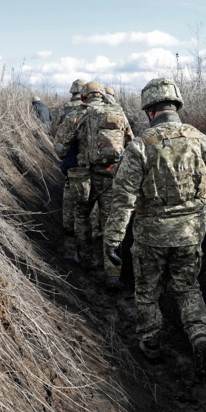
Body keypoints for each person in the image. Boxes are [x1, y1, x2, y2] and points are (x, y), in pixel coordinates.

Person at [103, 78, 206, 376]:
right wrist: (201, 219)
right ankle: (199, 335)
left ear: (149, 111)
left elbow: (123, 198)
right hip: (190, 232)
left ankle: (151, 345)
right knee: (187, 287)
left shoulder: (141, 146)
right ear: (176, 106)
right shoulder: (203, 141)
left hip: (151, 237)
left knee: (147, 291)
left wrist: (113, 239)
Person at [53, 81, 134, 289]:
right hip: (112, 175)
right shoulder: (118, 113)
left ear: (85, 96)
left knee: (82, 217)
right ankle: (113, 273)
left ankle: (85, 260)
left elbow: (60, 149)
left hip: (84, 178)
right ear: (101, 95)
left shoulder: (78, 115)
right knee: (111, 222)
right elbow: (129, 142)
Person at [51, 79, 87, 236]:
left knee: (68, 189)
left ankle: (68, 227)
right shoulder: (91, 109)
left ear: (72, 92)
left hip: (70, 155)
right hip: (87, 157)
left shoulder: (64, 108)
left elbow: (55, 131)